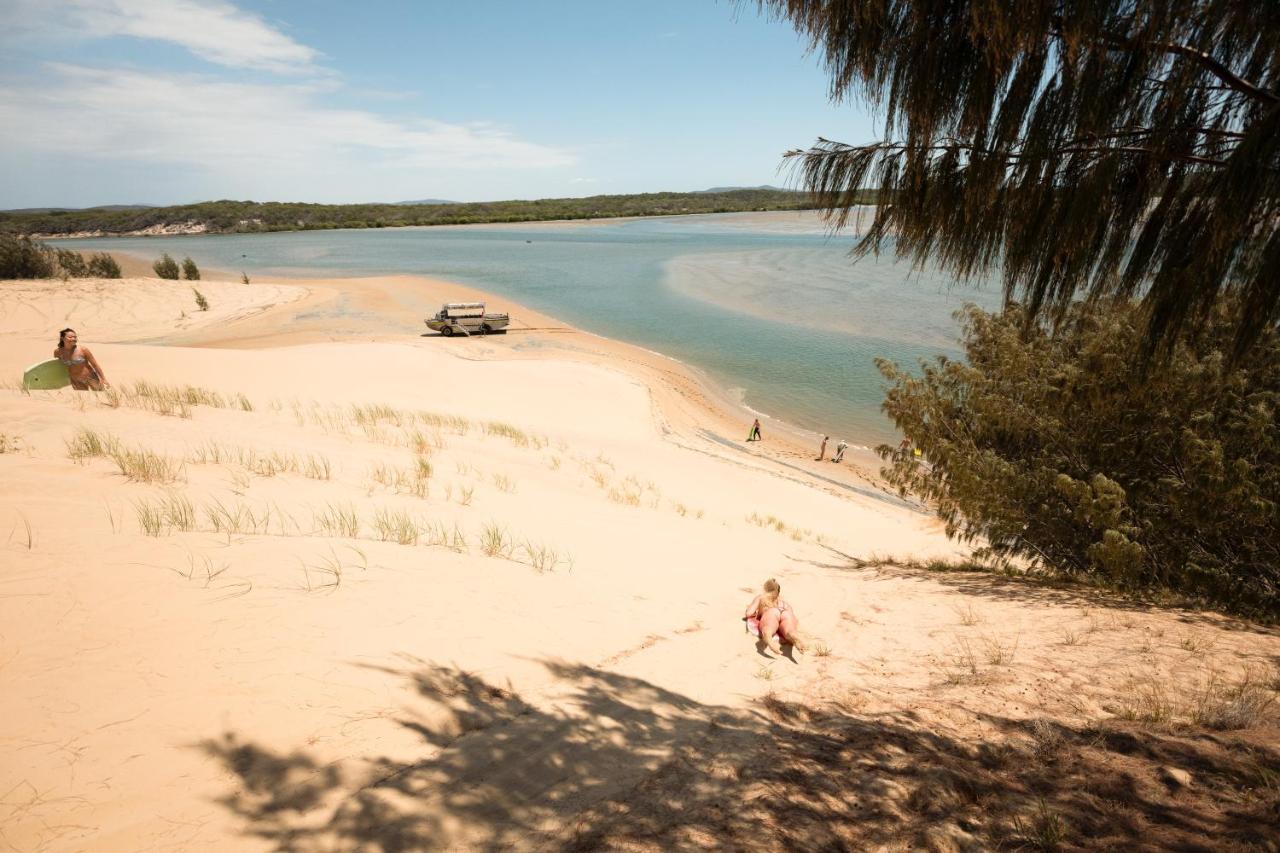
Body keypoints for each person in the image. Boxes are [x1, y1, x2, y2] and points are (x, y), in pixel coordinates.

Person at [743, 578, 805, 655]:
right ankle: (793, 636)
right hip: (784, 611)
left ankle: (769, 640)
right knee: (789, 629)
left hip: (771, 612)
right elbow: (792, 616)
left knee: (768, 628)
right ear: (778, 592)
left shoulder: (761, 598)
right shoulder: (783, 603)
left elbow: (748, 613)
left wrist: (755, 612)